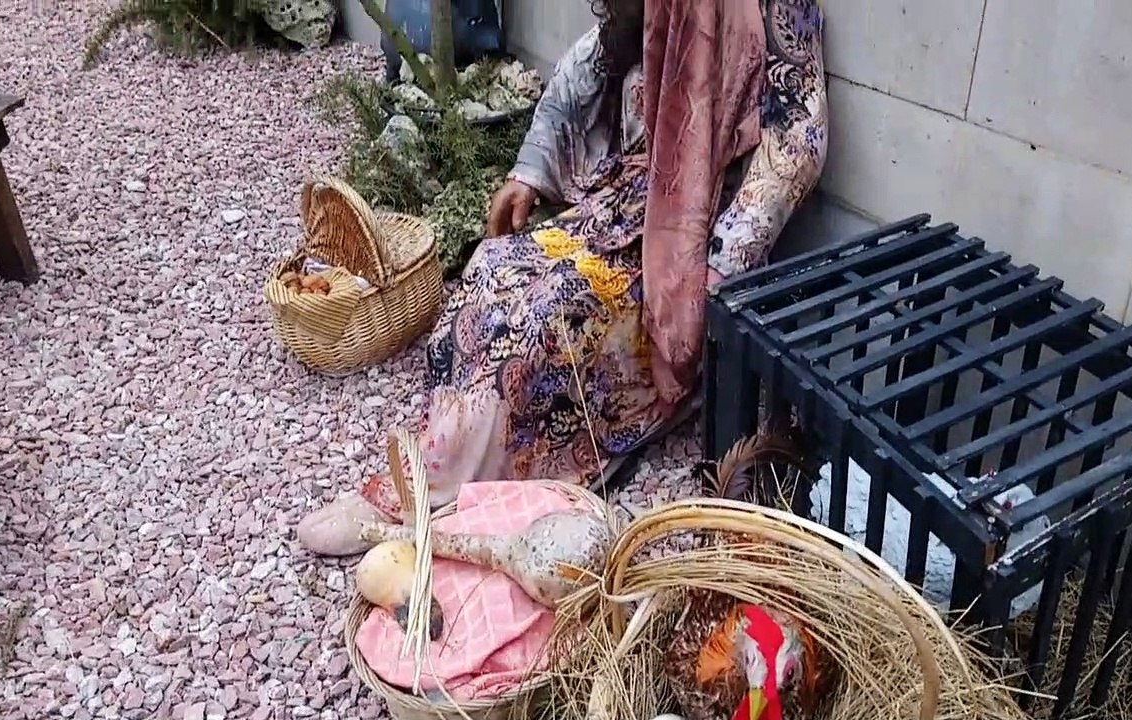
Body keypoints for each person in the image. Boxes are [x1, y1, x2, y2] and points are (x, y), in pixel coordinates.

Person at [297, 0, 829, 557]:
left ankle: (432, 496)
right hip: (621, 202)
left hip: (691, 240)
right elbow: (593, 60)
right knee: (492, 269)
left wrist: (719, 265)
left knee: (551, 315)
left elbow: (800, 138)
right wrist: (527, 174)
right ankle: (449, 451)